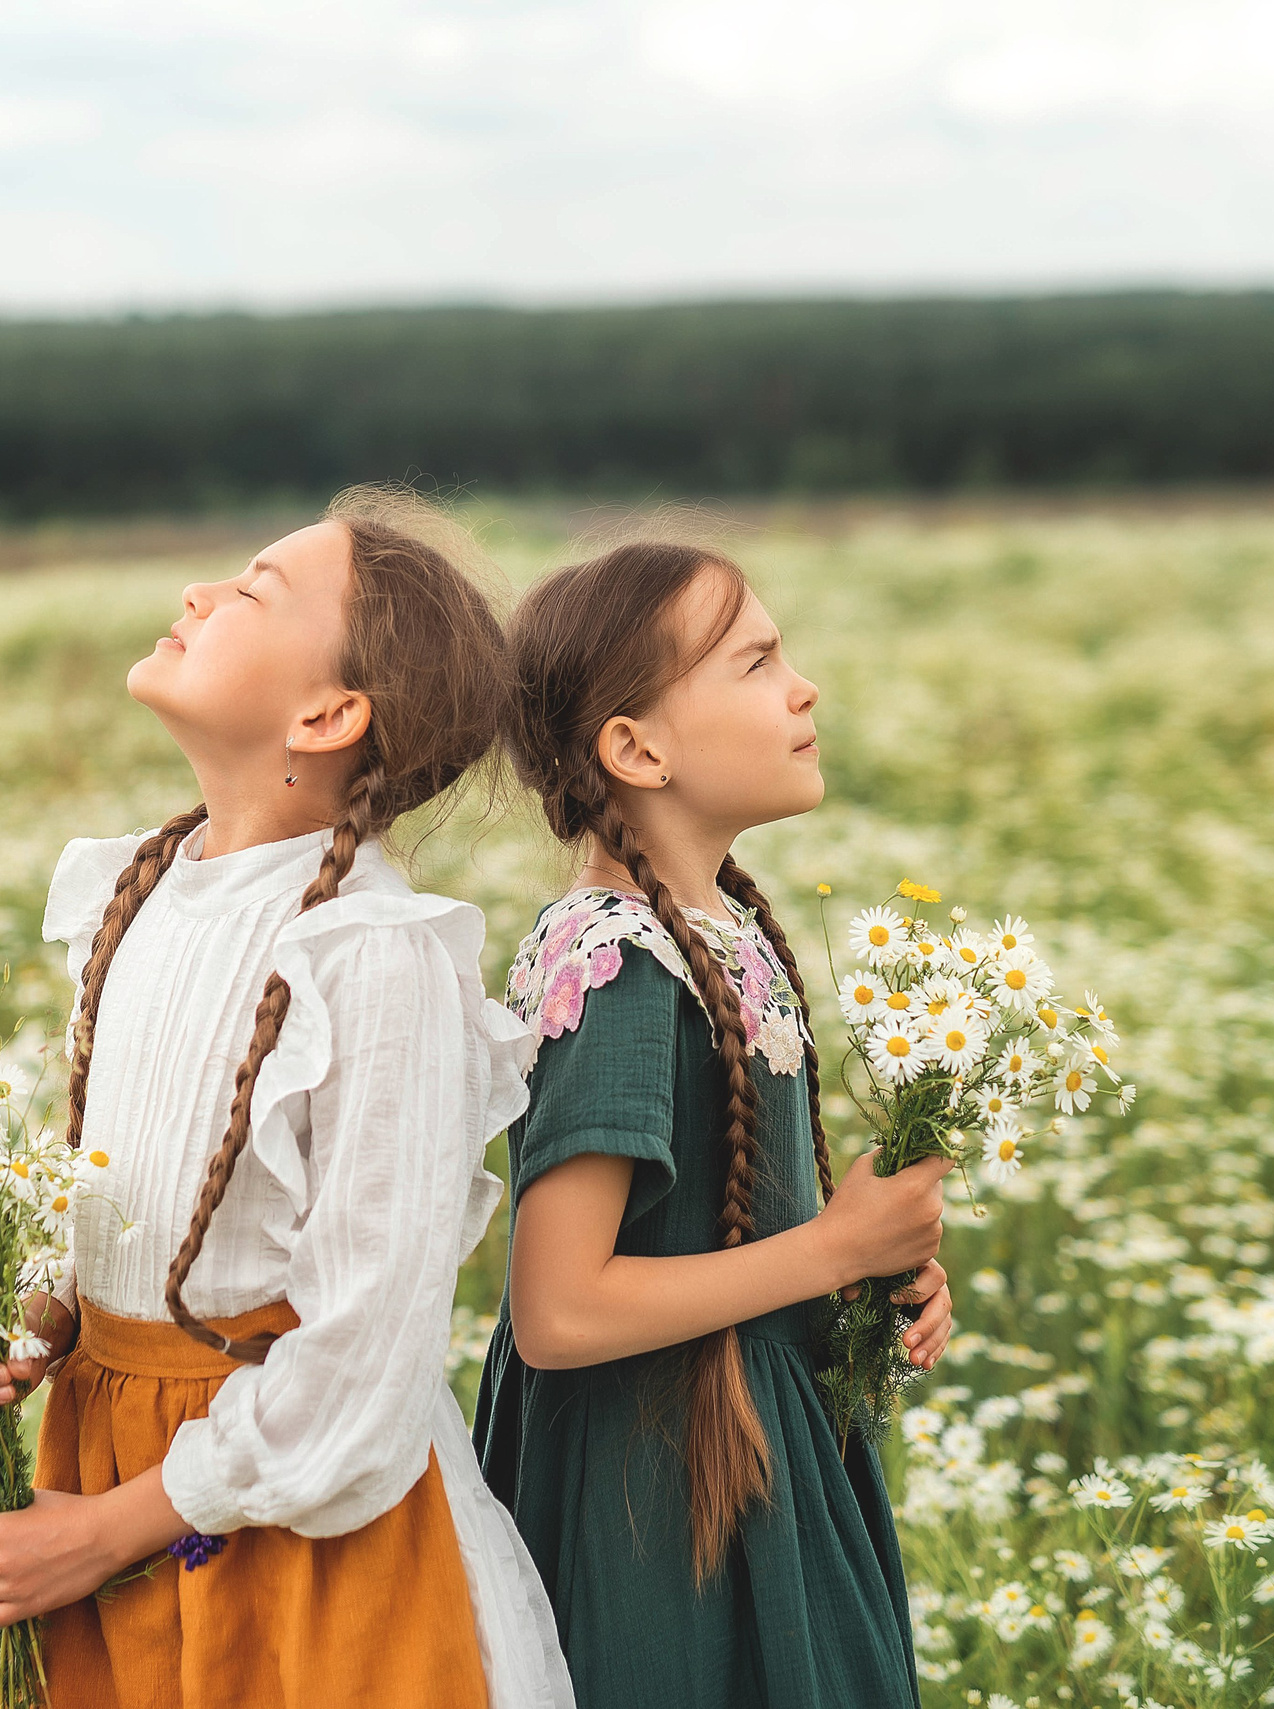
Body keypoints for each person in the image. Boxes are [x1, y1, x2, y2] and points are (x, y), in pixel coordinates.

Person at [0, 490, 571, 1708]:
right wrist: (24, 1327)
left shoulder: (375, 955)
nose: (196, 594)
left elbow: (365, 1366)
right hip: (105, 1462)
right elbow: (129, 1205)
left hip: (299, 1539)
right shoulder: (138, 891)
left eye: (253, 589)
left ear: (328, 714)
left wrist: (113, 1527)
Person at [474, 539, 951, 1708]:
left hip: (746, 1454)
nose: (803, 687)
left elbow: (722, 1233)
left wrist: (866, 1276)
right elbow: (559, 1307)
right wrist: (831, 1249)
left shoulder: (711, 927)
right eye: (756, 661)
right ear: (637, 748)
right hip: (654, 1503)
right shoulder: (619, 967)